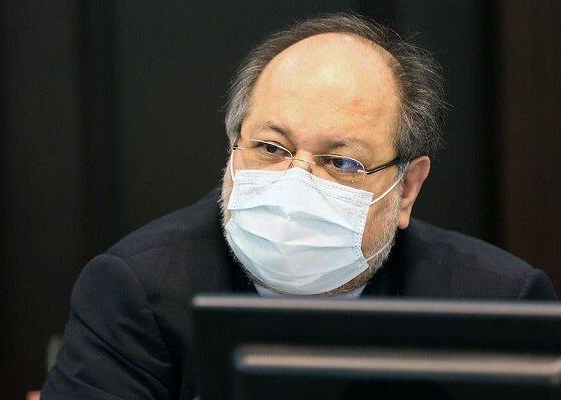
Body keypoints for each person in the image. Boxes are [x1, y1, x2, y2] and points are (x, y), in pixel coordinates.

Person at [41, 12, 557, 400]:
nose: (296, 183)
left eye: (342, 162)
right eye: (271, 148)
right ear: (232, 148)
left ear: (406, 189)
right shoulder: (136, 290)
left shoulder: (500, 302)